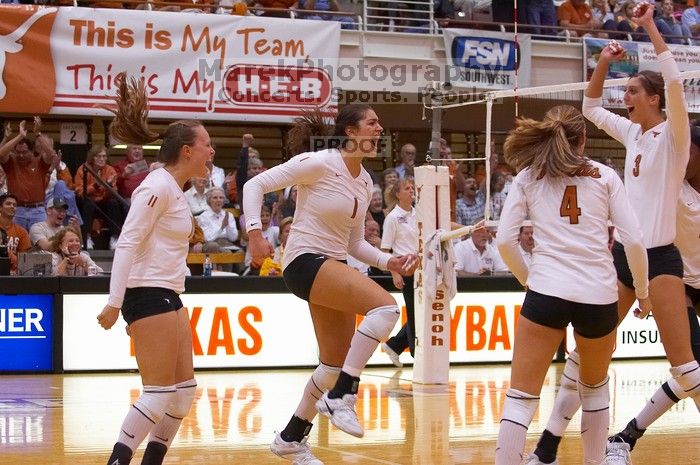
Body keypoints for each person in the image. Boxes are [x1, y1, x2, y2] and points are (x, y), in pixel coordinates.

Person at [526, 6, 699, 464]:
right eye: (626, 89)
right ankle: (545, 450)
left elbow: (677, 83)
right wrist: (605, 61)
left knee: (685, 365)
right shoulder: (634, 135)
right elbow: (590, 107)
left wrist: (648, 29)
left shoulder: (674, 135)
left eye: (634, 90)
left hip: (659, 260)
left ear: (655, 99)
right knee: (584, 361)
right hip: (619, 259)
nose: (626, 95)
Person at [242, 103, 417, 464]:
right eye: (372, 123)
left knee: (331, 364)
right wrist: (255, 233)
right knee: (385, 307)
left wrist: (389, 261)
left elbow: (354, 244)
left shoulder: (365, 180)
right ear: (350, 132)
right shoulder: (319, 162)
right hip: (304, 260)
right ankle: (343, 395)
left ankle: (291, 437)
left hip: (332, 264)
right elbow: (254, 183)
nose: (379, 128)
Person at [494, 104, 651, 465]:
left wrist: (530, 279)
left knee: (520, 397)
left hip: (547, 289)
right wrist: (642, 292)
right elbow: (634, 241)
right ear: (583, 138)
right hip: (598, 296)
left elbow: (505, 240)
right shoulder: (606, 176)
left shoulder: (529, 176)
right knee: (594, 392)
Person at [96, 76, 214, 465]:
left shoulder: (173, 189)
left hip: (168, 294)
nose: (212, 151)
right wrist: (114, 302)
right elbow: (128, 242)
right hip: (146, 294)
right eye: (207, 145)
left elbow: (158, 237)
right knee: (159, 392)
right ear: (187, 150)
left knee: (183, 392)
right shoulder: (156, 186)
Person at [598, 123, 700, 465]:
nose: (681, 158)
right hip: (675, 279)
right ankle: (624, 438)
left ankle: (625, 436)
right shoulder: (669, 184)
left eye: (690, 153)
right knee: (692, 367)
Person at [381, 177, 418, 368]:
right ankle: (416, 353)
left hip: (421, 269)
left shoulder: (418, 213)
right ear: (398, 194)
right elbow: (386, 250)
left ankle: (394, 345)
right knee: (414, 312)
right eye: (407, 188)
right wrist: (395, 273)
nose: (411, 190)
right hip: (404, 269)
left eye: (412, 187)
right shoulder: (392, 218)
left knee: (420, 313)